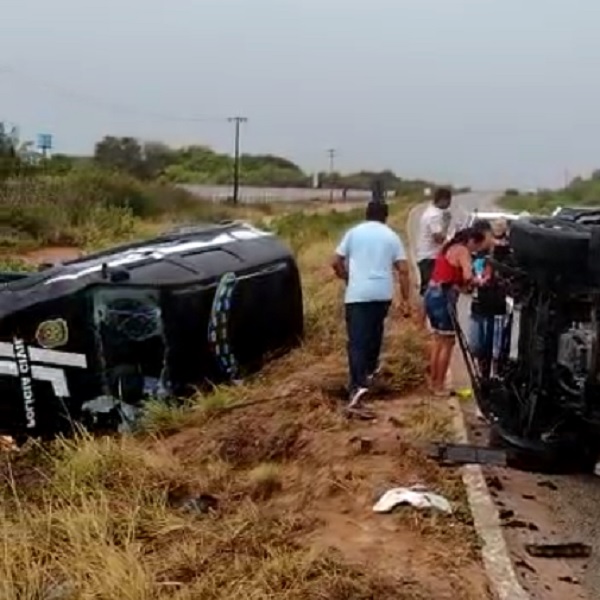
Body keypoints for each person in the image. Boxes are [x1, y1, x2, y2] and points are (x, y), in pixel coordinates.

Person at [332, 201, 410, 408]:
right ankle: (369, 374)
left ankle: (357, 386)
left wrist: (346, 276)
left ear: (366, 214)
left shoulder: (354, 233)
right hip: (382, 294)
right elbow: (403, 269)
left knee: (357, 341)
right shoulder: (391, 236)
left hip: (358, 294)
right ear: (385, 216)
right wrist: (405, 299)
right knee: (375, 336)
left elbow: (335, 261)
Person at [424, 221, 493, 396]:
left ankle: (434, 383)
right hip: (443, 297)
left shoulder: (449, 247)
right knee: (448, 342)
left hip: (432, 293)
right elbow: (468, 276)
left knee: (438, 340)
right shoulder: (463, 251)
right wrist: (480, 281)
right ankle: (439, 385)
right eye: (476, 246)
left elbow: (452, 277)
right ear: (472, 241)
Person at [415, 187, 453, 325]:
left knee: (427, 290)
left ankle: (421, 322)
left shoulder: (430, 212)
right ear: (443, 200)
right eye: (449, 200)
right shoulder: (435, 215)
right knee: (429, 291)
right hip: (430, 257)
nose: (449, 204)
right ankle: (420, 322)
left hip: (426, 255)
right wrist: (447, 224)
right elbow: (438, 238)